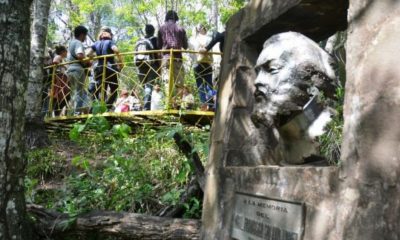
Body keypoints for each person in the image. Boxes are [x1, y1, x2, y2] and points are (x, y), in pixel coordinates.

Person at [157, 10, 188, 107]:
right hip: (178, 58)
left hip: (166, 58)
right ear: (176, 18)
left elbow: (159, 45)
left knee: (167, 82)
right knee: (179, 83)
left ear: (167, 18)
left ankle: (169, 104)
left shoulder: (161, 28)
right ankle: (177, 104)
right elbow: (186, 46)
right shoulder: (181, 29)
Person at [89, 27, 124, 110]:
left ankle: (100, 108)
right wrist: (121, 62)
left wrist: (95, 57)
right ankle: (107, 106)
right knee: (114, 89)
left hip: (99, 68)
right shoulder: (110, 42)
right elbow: (116, 50)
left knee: (101, 89)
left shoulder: (96, 43)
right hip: (110, 67)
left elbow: (87, 53)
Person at [66, 25, 90, 115]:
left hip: (70, 69)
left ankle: (74, 112)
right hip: (77, 69)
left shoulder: (71, 43)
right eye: (85, 35)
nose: (86, 37)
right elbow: (80, 55)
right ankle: (77, 113)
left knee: (77, 92)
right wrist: (88, 60)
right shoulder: (78, 43)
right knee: (79, 92)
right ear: (82, 34)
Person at [135, 24, 160, 110]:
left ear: (145, 31)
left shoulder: (140, 40)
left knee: (145, 86)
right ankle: (146, 107)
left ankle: (144, 105)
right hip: (152, 65)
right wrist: (159, 67)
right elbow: (158, 54)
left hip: (140, 65)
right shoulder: (155, 40)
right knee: (149, 86)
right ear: (153, 31)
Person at [190, 24, 214, 110]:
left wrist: (194, 61)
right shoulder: (209, 39)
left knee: (200, 85)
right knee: (209, 84)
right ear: (204, 29)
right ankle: (211, 105)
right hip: (207, 63)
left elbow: (191, 53)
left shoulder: (193, 39)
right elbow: (211, 51)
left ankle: (203, 105)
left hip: (197, 64)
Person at [51, 46, 70, 116]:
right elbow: (55, 61)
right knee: (60, 95)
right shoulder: (58, 56)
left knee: (66, 96)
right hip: (60, 78)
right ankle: (56, 113)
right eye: (66, 51)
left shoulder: (62, 59)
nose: (67, 53)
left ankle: (57, 113)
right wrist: (64, 66)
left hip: (63, 78)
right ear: (62, 52)